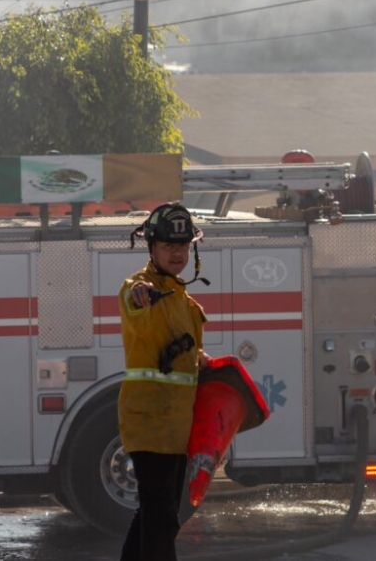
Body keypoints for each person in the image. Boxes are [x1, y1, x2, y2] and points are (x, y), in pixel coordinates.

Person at [118, 202, 210, 561]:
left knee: (158, 515)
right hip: (149, 424)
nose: (177, 253)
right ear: (151, 248)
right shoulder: (141, 287)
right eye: (169, 246)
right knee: (160, 516)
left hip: (174, 429)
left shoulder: (185, 303)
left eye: (184, 246)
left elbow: (192, 362)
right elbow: (133, 297)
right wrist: (140, 297)